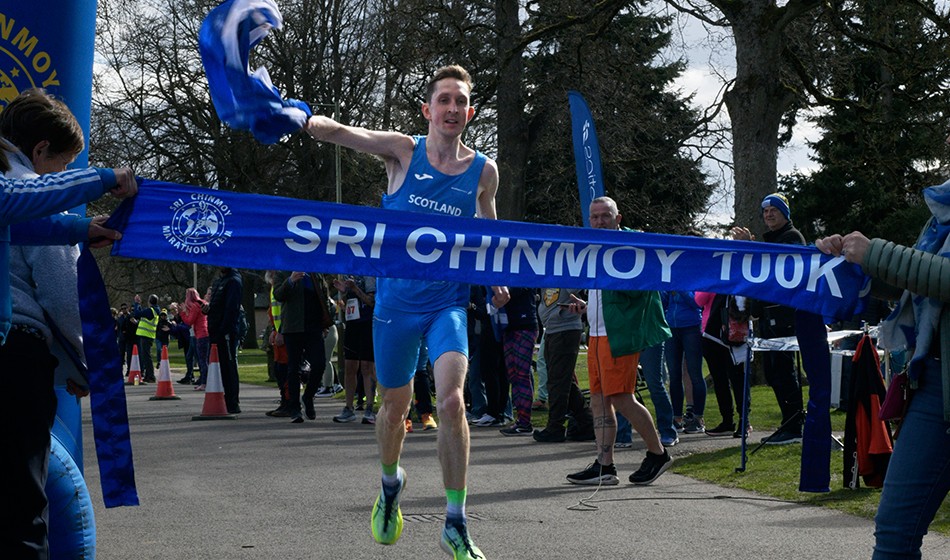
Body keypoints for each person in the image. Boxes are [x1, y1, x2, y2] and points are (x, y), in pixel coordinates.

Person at [305, 64, 509, 558]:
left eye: (461, 101)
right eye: (444, 100)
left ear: (471, 112)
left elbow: (490, 231)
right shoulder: (403, 151)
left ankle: (455, 523)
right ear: (428, 109)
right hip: (395, 306)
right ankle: (391, 483)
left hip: (447, 305)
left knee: (452, 400)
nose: (453, 109)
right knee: (394, 409)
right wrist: (301, 119)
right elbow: (345, 134)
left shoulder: (484, 171)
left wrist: (496, 275)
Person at [0, 88, 137, 560]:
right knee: (20, 510)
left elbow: (21, 226)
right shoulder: (25, 188)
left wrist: (80, 228)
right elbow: (61, 294)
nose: (61, 178)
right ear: (40, 151)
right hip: (14, 360)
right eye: (63, 167)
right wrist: (85, 366)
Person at [816, 180, 950, 558]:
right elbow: (919, 284)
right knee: (894, 532)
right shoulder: (943, 214)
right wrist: (850, 265)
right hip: (935, 386)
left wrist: (878, 254)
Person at [564, 197, 672, 486]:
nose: (599, 221)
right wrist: (587, 306)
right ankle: (605, 464)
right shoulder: (593, 249)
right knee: (599, 401)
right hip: (597, 333)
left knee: (622, 397)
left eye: (605, 216)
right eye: (594, 217)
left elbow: (640, 290)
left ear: (618, 217)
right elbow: (607, 296)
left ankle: (657, 453)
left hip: (619, 336)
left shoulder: (633, 247)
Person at [732, 193, 806, 444]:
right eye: (765, 212)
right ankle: (790, 422)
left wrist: (750, 246)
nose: (769, 215)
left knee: (784, 371)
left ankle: (795, 425)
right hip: (767, 315)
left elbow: (777, 270)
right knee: (774, 372)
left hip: (784, 315)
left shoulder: (792, 237)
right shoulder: (772, 239)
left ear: (785, 213)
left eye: (774, 210)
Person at [532, 287, 595, 443]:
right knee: (563, 380)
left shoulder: (564, 271)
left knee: (558, 381)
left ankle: (555, 427)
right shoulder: (548, 273)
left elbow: (578, 285)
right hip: (553, 329)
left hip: (565, 329)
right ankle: (587, 423)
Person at [273, 270, 332, 423]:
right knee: (293, 368)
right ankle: (295, 408)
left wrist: (324, 321)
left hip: (314, 326)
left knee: (319, 364)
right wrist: (291, 280)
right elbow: (278, 294)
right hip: (293, 327)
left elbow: (323, 296)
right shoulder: (282, 271)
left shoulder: (315, 272)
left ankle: (308, 396)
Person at [696, 291, 752, 438]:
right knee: (719, 380)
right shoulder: (712, 277)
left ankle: (744, 421)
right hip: (711, 333)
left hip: (734, 334)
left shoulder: (734, 277)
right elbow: (699, 300)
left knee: (738, 379)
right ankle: (727, 420)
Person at [332, 275, 378, 424]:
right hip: (352, 323)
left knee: (366, 367)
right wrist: (344, 292)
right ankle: (348, 408)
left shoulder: (368, 274)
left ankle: (370, 408)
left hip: (367, 324)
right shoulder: (347, 273)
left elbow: (372, 302)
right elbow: (347, 301)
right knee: (350, 366)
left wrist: (355, 289)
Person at [663, 290, 707, 435]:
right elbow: (663, 303)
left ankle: (698, 418)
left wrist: (680, 289)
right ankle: (677, 418)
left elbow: (696, 303)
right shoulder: (670, 278)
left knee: (695, 374)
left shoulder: (693, 277)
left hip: (692, 327)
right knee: (674, 374)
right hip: (672, 327)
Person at [205, 267, 243, 414]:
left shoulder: (233, 281)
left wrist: (224, 329)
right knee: (219, 367)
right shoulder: (219, 281)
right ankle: (223, 399)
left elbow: (231, 308)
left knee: (228, 365)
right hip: (215, 330)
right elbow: (217, 305)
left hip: (225, 332)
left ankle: (232, 402)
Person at [180, 288, 210, 391]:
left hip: (201, 334)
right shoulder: (202, 304)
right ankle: (206, 381)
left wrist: (183, 313)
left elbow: (189, 321)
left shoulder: (195, 306)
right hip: (206, 333)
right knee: (205, 359)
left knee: (202, 360)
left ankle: (204, 383)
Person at [132, 294, 161, 383]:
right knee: (146, 356)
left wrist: (137, 303)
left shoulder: (150, 311)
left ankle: (151, 376)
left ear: (149, 302)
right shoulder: (155, 310)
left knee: (147, 357)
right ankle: (149, 375)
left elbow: (137, 314)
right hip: (149, 335)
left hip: (146, 336)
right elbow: (142, 314)